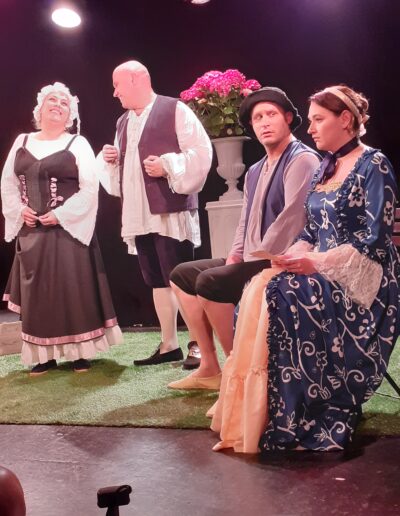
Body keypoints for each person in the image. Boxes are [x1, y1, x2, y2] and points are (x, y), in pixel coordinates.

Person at [211, 84, 400, 453]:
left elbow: (375, 239)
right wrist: (291, 256)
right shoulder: (325, 168)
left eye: (318, 120)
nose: (310, 128)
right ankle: (268, 413)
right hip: (323, 268)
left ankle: (308, 412)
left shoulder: (372, 163)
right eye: (310, 120)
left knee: (286, 293)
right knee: (263, 284)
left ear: (345, 120)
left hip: (365, 275)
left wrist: (318, 262)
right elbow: (310, 232)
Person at [168, 87, 320, 390]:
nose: (264, 122)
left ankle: (239, 376)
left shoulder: (302, 159)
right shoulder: (255, 170)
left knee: (211, 283)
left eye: (271, 114)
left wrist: (256, 256)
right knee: (182, 275)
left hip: (282, 259)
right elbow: (245, 221)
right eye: (257, 118)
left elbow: (293, 218)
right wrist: (235, 255)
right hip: (253, 257)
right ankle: (210, 368)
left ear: (288, 118)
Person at [1, 82, 122, 376]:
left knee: (73, 289)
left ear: (70, 114)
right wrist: (19, 210)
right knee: (39, 294)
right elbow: (8, 183)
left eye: (64, 103)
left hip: (69, 230)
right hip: (32, 232)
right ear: (40, 108)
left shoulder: (77, 143)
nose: (57, 105)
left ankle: (80, 353)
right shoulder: (22, 141)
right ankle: (43, 356)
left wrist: (61, 214)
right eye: (52, 100)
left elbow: (89, 188)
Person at [97, 60, 212, 369]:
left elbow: (201, 153)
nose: (114, 92)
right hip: (140, 213)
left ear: (136, 79)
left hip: (169, 213)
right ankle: (169, 344)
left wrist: (167, 165)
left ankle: (199, 344)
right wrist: (111, 159)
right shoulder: (123, 122)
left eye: (118, 85)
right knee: (158, 281)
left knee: (181, 280)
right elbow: (124, 172)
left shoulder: (175, 110)